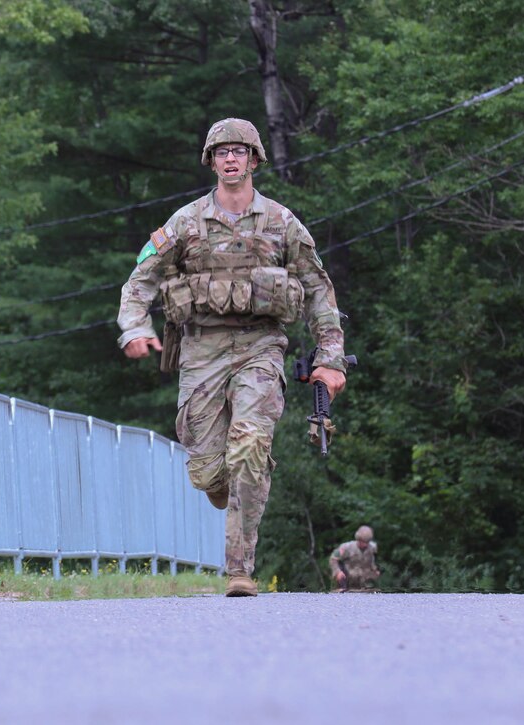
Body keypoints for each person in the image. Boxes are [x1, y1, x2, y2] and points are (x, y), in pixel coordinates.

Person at [116, 118, 347, 597]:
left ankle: (239, 569)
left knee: (249, 447)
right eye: (221, 152)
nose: (231, 159)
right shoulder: (185, 223)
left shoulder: (283, 223)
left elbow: (318, 290)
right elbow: (140, 280)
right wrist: (135, 328)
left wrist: (330, 358)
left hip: (261, 349)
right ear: (211, 161)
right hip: (201, 351)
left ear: (255, 160)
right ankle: (224, 478)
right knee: (206, 471)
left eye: (240, 151)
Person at [329, 525, 381, 592]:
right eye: (363, 541)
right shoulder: (346, 548)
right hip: (348, 580)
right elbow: (333, 559)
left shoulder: (372, 548)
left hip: (365, 582)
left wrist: (375, 570)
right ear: (358, 539)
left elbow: (373, 561)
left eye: (367, 542)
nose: (365, 544)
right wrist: (338, 572)